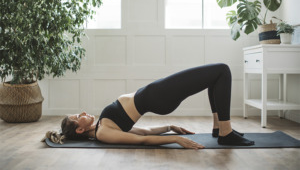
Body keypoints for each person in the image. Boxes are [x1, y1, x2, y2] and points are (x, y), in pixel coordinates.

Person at [44, 63, 254, 149]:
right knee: (222, 71)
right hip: (159, 95)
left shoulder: (102, 126)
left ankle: (219, 129)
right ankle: (226, 133)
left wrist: (169, 127)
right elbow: (141, 140)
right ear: (80, 129)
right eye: (77, 116)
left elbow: (141, 130)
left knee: (214, 77)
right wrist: (176, 140)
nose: (82, 112)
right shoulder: (103, 134)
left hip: (157, 93)